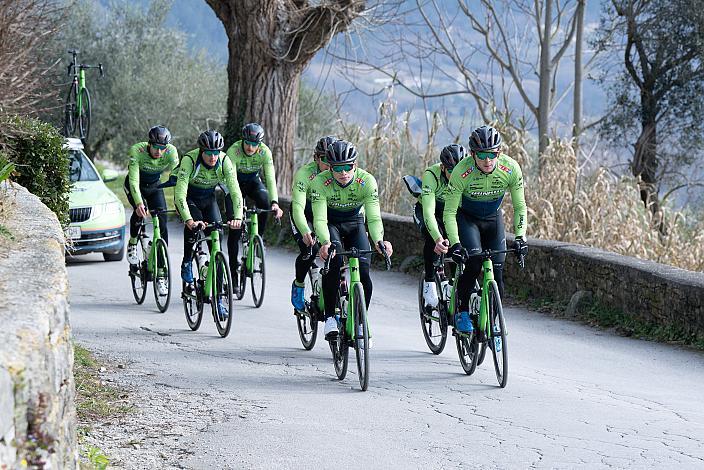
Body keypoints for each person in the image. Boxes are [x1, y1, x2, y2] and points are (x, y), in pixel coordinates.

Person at [443, 125, 528, 334]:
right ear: (473, 154)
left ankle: (494, 322)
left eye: (492, 154)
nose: (487, 160)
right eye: (482, 155)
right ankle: (462, 311)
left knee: (497, 273)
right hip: (467, 219)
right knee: (473, 263)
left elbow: (520, 207)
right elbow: (450, 213)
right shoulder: (462, 171)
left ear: (499, 153)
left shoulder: (511, 168)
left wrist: (520, 237)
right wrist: (455, 244)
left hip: (493, 219)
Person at [310, 140, 394, 339]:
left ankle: (359, 319)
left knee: (364, 272)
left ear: (354, 165)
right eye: (338, 168)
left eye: (348, 167)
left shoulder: (367, 181)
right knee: (334, 261)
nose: (343, 172)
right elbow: (320, 219)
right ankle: (330, 317)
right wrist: (325, 241)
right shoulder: (319, 182)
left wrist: (379, 240)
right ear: (330, 167)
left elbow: (373, 218)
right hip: (331, 224)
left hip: (356, 223)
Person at [174, 130, 243, 320]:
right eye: (208, 153)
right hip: (190, 199)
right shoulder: (190, 160)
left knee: (217, 241)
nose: (213, 157)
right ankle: (187, 261)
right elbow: (179, 195)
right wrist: (189, 220)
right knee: (194, 229)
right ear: (201, 150)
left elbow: (235, 191)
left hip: (209, 199)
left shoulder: (224, 160)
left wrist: (237, 216)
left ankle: (219, 300)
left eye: (216, 153)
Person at [225, 122, 283, 283]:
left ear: (260, 144)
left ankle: (258, 239)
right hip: (234, 183)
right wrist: (237, 212)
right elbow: (231, 183)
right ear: (243, 140)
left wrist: (275, 202)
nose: (251, 148)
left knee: (264, 201)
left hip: (253, 182)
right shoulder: (233, 151)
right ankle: (233, 273)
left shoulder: (265, 152)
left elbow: (270, 178)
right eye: (248, 143)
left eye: (254, 144)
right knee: (234, 228)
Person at [124, 126, 179, 294]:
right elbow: (133, 180)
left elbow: (179, 177)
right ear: (149, 144)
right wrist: (139, 203)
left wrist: (178, 201)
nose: (159, 152)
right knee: (139, 212)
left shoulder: (171, 152)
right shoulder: (137, 150)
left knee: (162, 225)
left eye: (163, 148)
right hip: (136, 185)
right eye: (156, 147)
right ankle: (133, 242)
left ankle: (162, 273)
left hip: (155, 186)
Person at [416, 144, 466, 308]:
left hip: (451, 211)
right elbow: (429, 213)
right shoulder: (432, 174)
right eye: (451, 171)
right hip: (429, 209)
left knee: (456, 241)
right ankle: (429, 283)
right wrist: (438, 238)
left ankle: (452, 283)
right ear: (443, 167)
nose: (455, 175)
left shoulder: (467, 175)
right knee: (434, 239)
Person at [289, 135, 335, 311]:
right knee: (311, 249)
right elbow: (298, 208)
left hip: (324, 213)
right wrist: (305, 229)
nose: (329, 165)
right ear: (316, 158)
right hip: (305, 213)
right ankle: (299, 284)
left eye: (332, 160)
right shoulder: (304, 174)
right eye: (324, 159)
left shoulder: (340, 173)